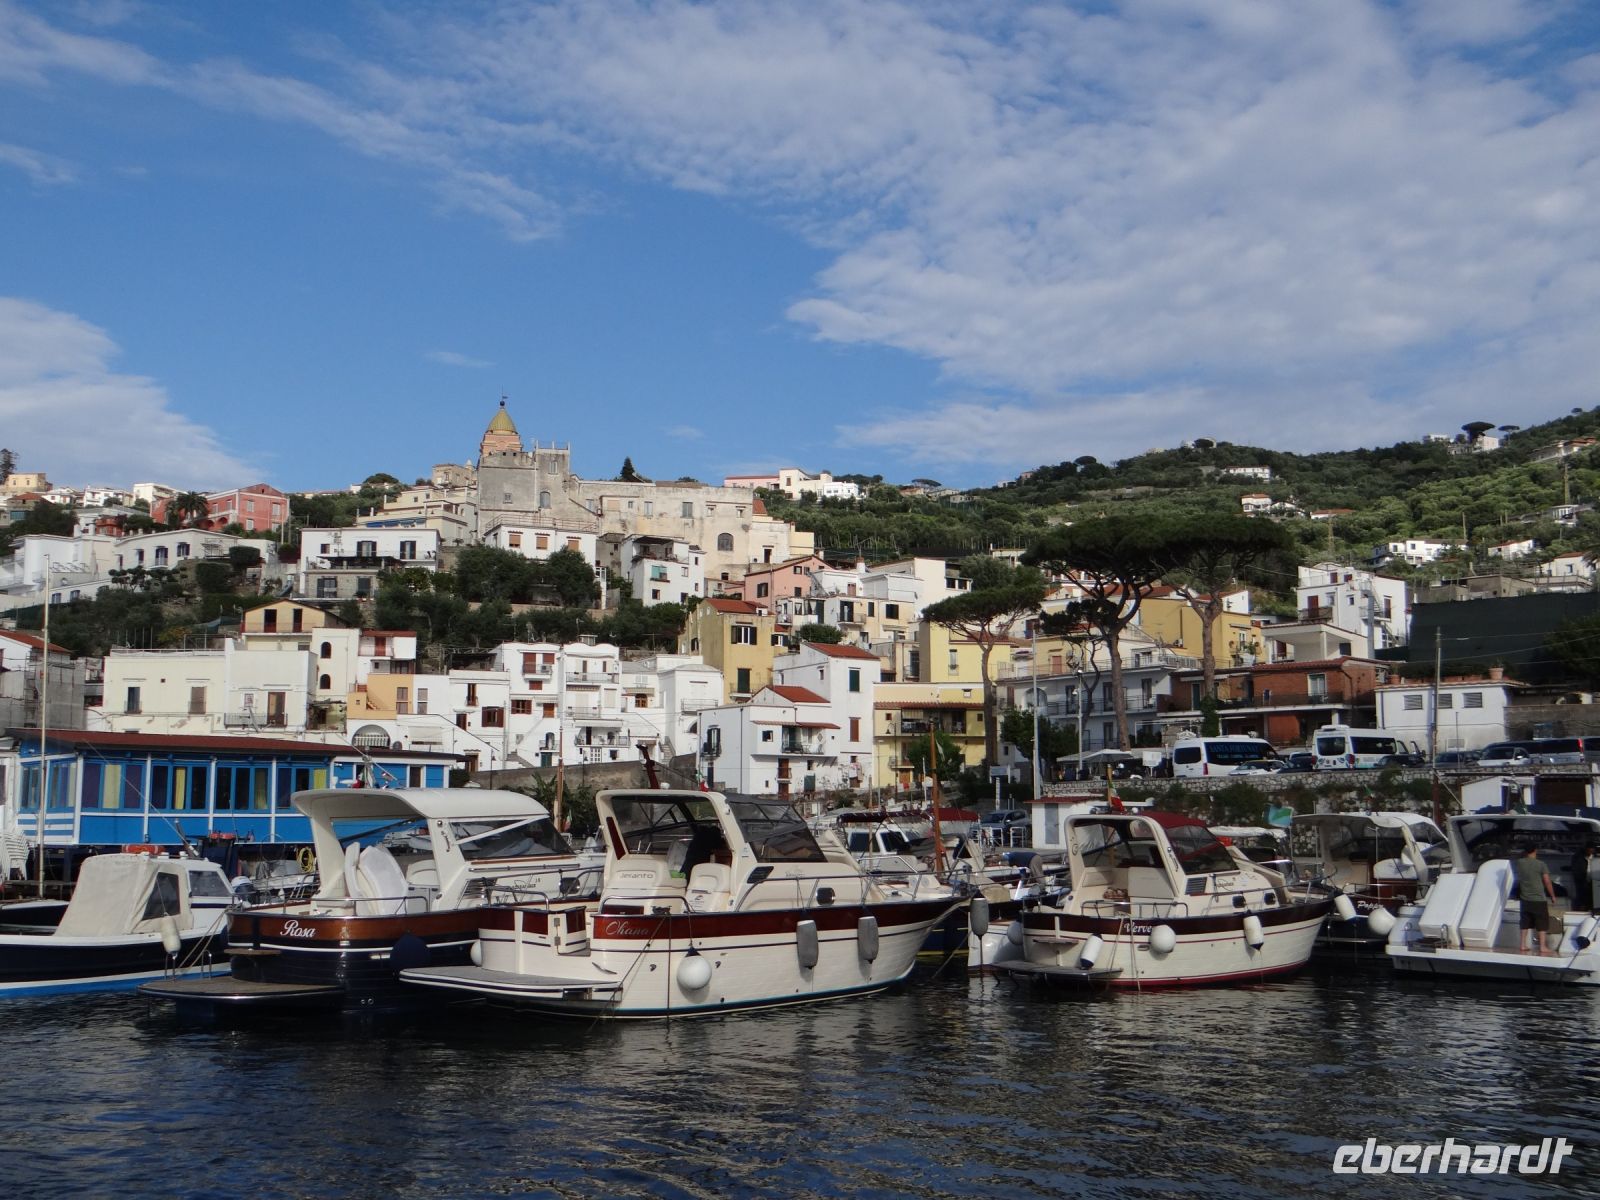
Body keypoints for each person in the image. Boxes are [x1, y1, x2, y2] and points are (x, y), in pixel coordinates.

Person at [1515, 844, 1558, 955]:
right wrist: (1552, 895)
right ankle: (1543, 947)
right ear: (1535, 850)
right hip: (1538, 898)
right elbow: (1547, 881)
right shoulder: (1541, 865)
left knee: (1525, 922)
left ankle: (1522, 944)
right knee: (1541, 923)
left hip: (1524, 898)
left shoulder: (1520, 863)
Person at [1569, 844, 1598, 915]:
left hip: (1594, 883)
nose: (1590, 852)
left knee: (1593, 899)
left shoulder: (1596, 858)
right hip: (1582, 882)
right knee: (1582, 899)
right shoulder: (1579, 858)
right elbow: (1576, 870)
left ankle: (1594, 911)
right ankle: (1582, 911)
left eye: (1592, 850)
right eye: (1588, 850)